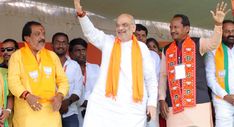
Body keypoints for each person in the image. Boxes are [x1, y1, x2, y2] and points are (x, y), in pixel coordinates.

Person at [74, 0, 158, 127]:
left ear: (133, 28)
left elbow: (151, 79)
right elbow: (91, 33)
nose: (120, 28)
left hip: (132, 108)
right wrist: (81, 14)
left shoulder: (142, 48)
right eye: (118, 25)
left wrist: (152, 104)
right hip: (105, 105)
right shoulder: (108, 42)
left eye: (125, 25)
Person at [159, 2, 230, 127]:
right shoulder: (167, 49)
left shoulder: (197, 43)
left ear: (187, 29)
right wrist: (161, 99)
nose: (172, 30)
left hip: (199, 103)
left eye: (176, 27)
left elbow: (213, 43)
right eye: (171, 27)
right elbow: (163, 76)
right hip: (174, 104)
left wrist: (218, 24)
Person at [8, 21, 69, 127]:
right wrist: (27, 96)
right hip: (27, 115)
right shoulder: (17, 56)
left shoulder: (52, 56)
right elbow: (13, 82)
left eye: (43, 34)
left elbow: (63, 81)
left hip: (51, 115)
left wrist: (60, 96)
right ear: (27, 38)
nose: (42, 37)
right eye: (37, 34)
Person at [205, 20, 234, 127]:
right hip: (222, 100)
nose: (231, 34)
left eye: (233, 31)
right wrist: (225, 95)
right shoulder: (213, 50)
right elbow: (209, 77)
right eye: (227, 31)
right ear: (221, 33)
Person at [52, 32, 83, 127]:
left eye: (64, 43)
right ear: (52, 44)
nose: (61, 45)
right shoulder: (45, 63)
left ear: (67, 45)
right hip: (49, 111)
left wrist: (67, 102)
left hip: (70, 112)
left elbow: (78, 90)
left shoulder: (74, 65)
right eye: (58, 42)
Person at [69, 38, 100, 126]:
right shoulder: (67, 69)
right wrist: (83, 102)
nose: (81, 53)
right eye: (77, 50)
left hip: (94, 110)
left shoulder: (96, 68)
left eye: (83, 50)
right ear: (70, 53)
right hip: (75, 111)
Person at [135, 24, 160, 127]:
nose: (140, 38)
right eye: (137, 35)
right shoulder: (126, 53)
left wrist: (152, 102)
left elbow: (157, 80)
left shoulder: (153, 56)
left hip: (150, 101)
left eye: (143, 35)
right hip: (132, 102)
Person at [0, 39, 18, 127]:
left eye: (9, 49)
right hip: (4, 113)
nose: (5, 52)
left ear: (17, 51)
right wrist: (7, 110)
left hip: (21, 111)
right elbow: (9, 94)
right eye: (3, 50)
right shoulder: (0, 69)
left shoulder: (23, 68)